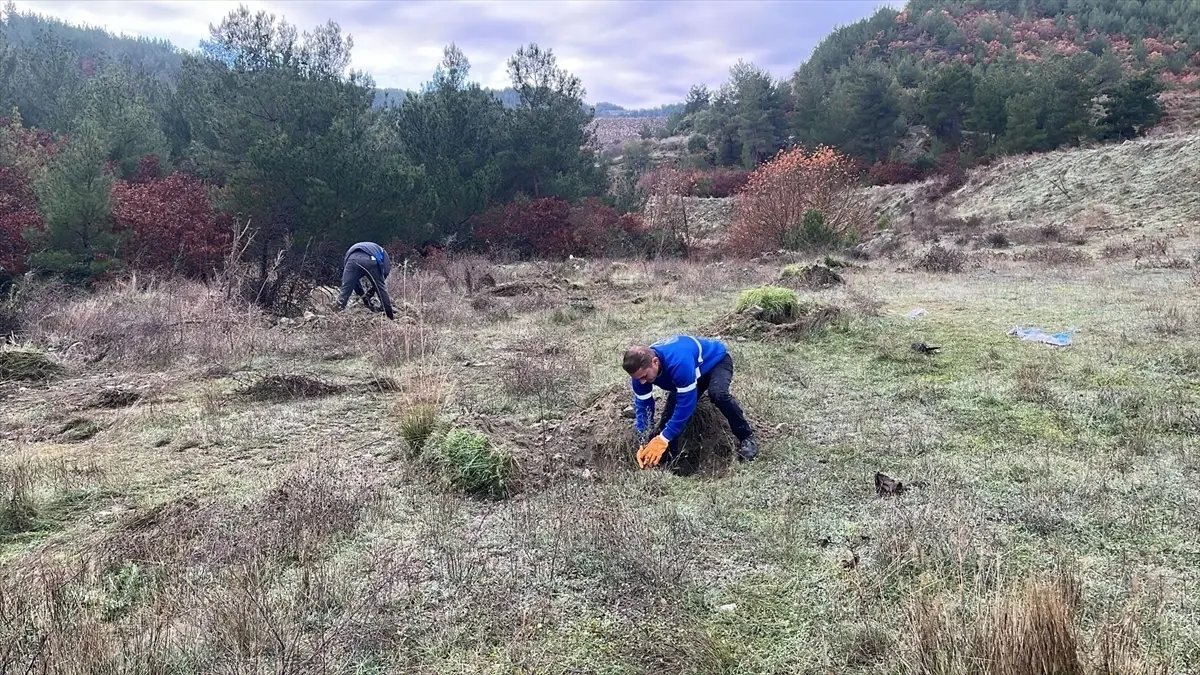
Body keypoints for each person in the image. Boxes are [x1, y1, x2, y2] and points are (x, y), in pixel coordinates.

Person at [623, 335, 757, 469]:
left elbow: (686, 405)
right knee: (668, 417)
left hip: (715, 363)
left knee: (718, 394)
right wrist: (644, 440)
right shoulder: (639, 374)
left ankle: (746, 437)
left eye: (645, 376)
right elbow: (643, 407)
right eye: (638, 378)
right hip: (690, 371)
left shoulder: (678, 363)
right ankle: (669, 462)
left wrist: (663, 438)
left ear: (655, 362)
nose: (642, 382)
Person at [337, 241, 395, 320]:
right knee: (381, 288)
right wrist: (373, 290)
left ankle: (336, 315)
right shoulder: (382, 252)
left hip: (352, 260)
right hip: (371, 260)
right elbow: (385, 272)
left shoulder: (353, 251)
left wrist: (364, 298)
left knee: (345, 290)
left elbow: (354, 283)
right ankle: (390, 316)